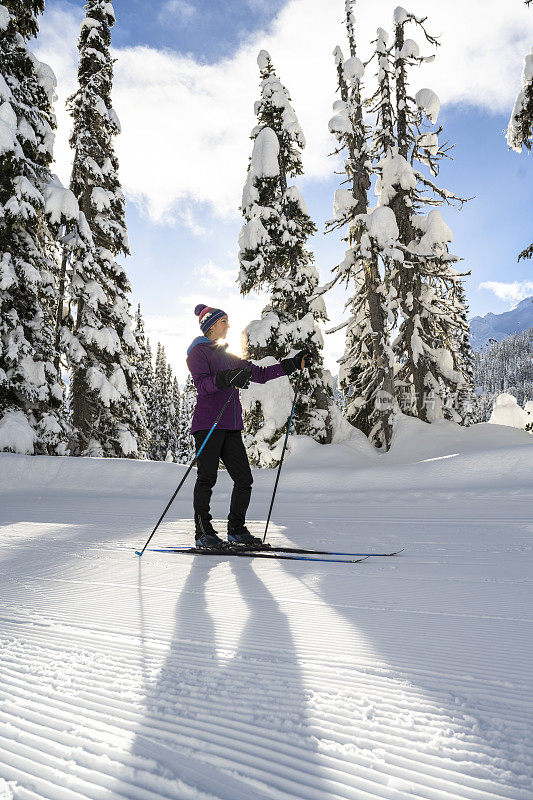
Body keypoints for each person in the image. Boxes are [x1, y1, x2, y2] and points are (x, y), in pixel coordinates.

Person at [186, 303, 309, 549]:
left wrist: (292, 364)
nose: (228, 325)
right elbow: (203, 385)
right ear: (210, 325)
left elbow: (261, 374)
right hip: (208, 424)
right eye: (224, 322)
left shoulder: (231, 358)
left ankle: (236, 530)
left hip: (231, 426)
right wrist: (227, 378)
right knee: (206, 478)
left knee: (244, 479)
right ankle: (203, 533)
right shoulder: (198, 353)